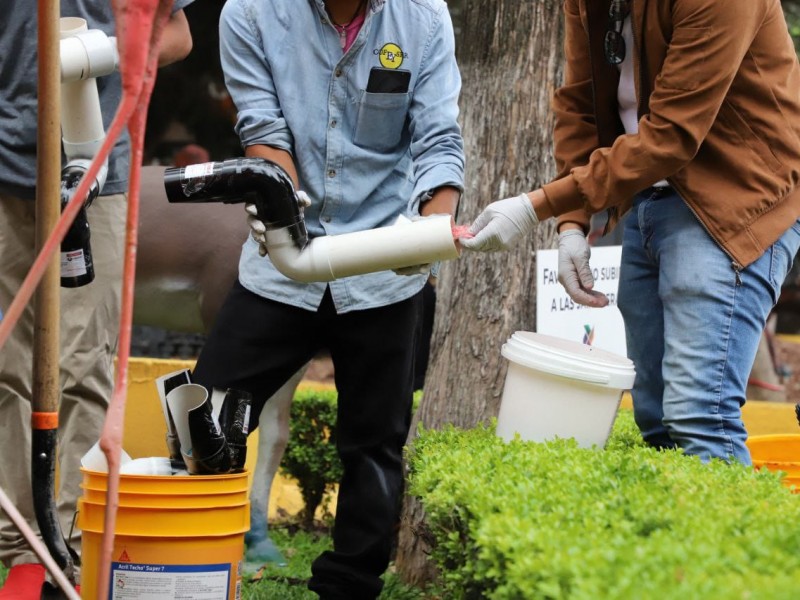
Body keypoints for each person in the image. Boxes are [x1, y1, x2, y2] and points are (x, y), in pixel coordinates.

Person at [189, 0, 464, 597]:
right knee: (202, 413)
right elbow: (262, 131)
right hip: (284, 259)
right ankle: (194, 571)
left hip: (384, 262)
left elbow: (438, 139)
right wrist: (289, 220)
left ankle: (349, 587)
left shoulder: (424, 16)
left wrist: (432, 229)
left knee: (374, 445)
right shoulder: (249, 13)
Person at [460, 0, 800, 466]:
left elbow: (672, 134)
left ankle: (722, 539)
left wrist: (534, 205)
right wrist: (572, 225)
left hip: (735, 200)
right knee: (656, 419)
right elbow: (579, 103)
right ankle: (670, 538)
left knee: (699, 417)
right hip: (648, 197)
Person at [0, 2, 193, 596]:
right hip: (4, 173)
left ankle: (73, 546)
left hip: (97, 173)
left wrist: (94, 54)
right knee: (8, 364)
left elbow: (177, 35)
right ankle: (18, 548)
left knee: (83, 363)